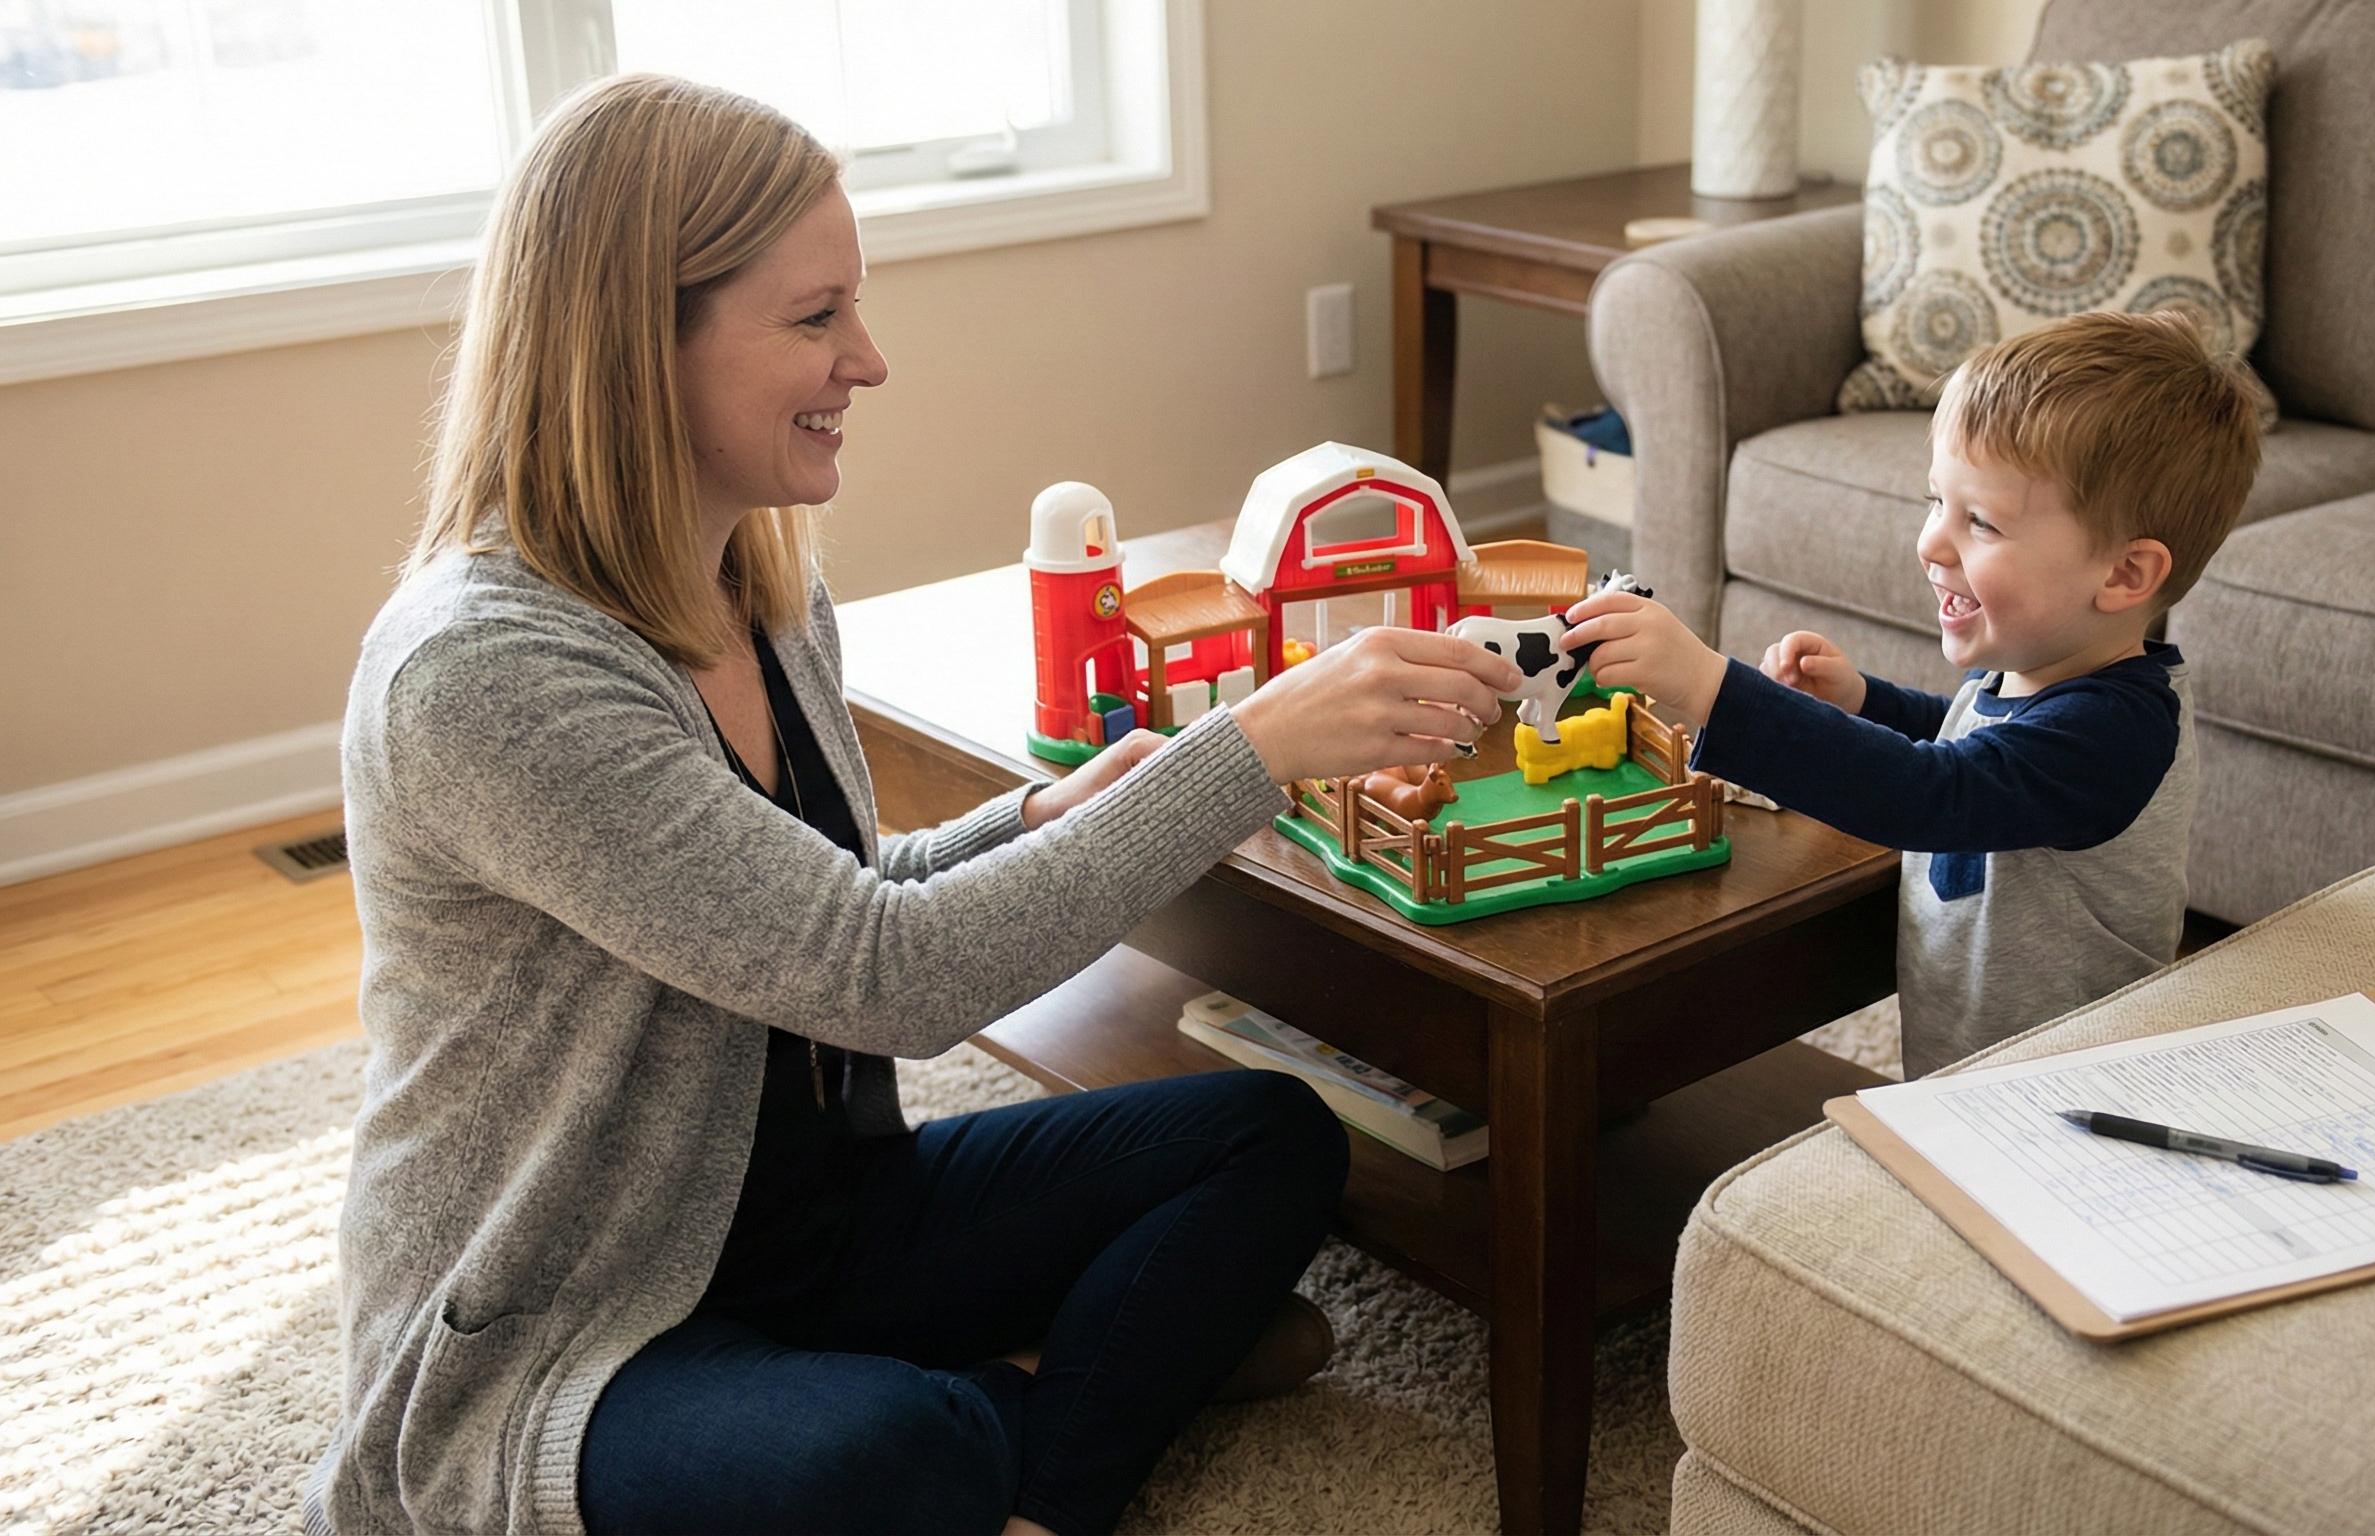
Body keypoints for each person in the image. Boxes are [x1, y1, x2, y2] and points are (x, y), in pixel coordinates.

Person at [304, 74, 1522, 1536]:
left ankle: (1011, 1454)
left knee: (1271, 1137)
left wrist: (1038, 821)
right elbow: (891, 978)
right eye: (815, 317)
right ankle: (1041, 1415)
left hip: (818, 1226)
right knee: (882, 1452)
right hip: (575, 1318)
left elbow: (821, 900)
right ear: (638, 345)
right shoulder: (487, 673)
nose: (867, 362)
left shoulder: (759, 582)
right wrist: (1247, 750)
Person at [1560, 311, 2266, 1076]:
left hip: (2064, 1089)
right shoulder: (2039, 671)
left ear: (2125, 574)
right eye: (1937, 503)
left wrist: (1708, 685)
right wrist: (1864, 699)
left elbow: (1935, 791)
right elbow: (1969, 740)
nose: (1931, 543)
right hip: (1968, 1069)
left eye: (1981, 523)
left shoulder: (2116, 732)